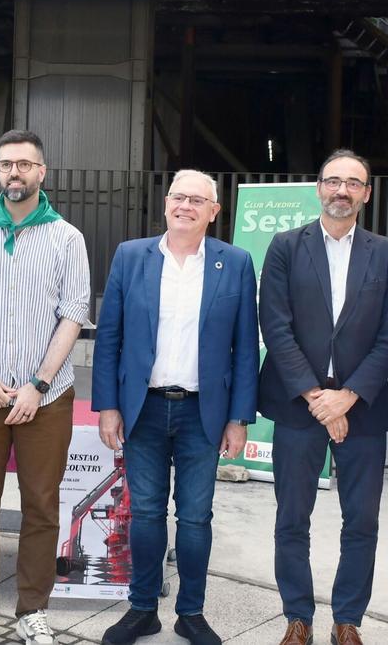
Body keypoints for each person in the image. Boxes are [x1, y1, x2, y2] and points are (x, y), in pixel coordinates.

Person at [91, 169, 259, 645]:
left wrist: (239, 418)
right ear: (166, 204)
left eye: (197, 199)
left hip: (202, 414)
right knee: (144, 513)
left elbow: (246, 347)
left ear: (214, 211)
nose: (185, 205)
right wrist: (107, 406)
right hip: (142, 408)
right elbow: (110, 338)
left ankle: (191, 613)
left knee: (195, 517)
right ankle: (142, 609)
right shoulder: (131, 256)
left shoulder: (236, 262)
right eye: (178, 197)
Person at [0, 129, 90, 645]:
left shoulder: (67, 238)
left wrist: (37, 385)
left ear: (42, 173)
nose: (15, 173)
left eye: (25, 164)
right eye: (6, 165)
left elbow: (73, 315)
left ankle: (32, 610)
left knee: (41, 505)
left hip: (44, 397)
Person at [258, 149, 388, 645]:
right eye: (332, 181)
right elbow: (275, 327)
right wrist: (316, 397)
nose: (341, 190)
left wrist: (346, 397)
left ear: (366, 193)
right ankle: (297, 618)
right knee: (291, 518)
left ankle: (348, 621)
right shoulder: (285, 246)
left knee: (361, 521)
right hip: (297, 405)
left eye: (353, 183)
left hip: (361, 409)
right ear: (319, 188)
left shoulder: (386, 254)